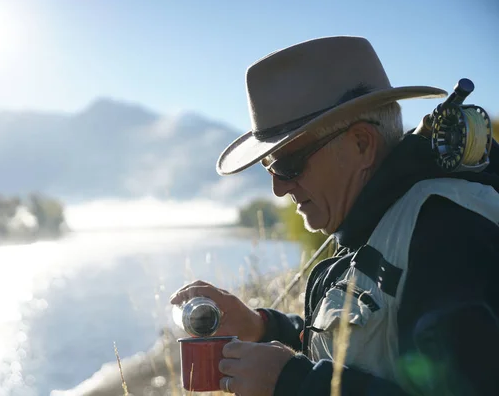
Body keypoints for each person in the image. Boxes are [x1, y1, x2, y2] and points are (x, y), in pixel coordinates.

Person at [170, 36, 499, 396]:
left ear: (361, 144)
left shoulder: (445, 236)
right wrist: (262, 328)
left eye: (289, 165)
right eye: (269, 167)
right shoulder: (374, 221)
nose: (279, 188)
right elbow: (362, 352)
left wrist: (296, 383)